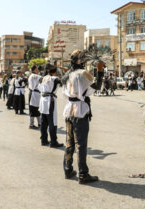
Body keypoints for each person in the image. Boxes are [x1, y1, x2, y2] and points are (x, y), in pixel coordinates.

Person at [62, 49, 102, 183]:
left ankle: (67, 169)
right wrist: (100, 71)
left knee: (69, 142)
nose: (85, 60)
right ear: (79, 60)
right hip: (80, 111)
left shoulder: (67, 74)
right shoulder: (83, 73)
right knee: (81, 144)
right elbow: (96, 86)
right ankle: (83, 174)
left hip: (69, 110)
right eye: (84, 58)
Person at [38, 65, 63, 148]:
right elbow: (63, 81)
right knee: (52, 122)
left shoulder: (42, 78)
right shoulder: (54, 78)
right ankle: (53, 141)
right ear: (54, 72)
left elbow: (39, 85)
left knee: (43, 121)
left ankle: (43, 140)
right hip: (49, 101)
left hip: (43, 100)